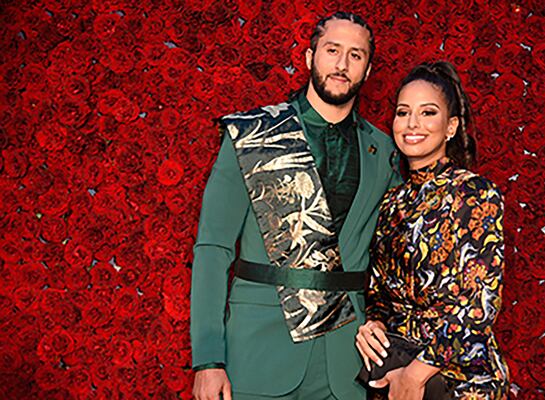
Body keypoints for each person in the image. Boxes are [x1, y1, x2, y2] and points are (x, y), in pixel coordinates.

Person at [191, 12, 401, 400]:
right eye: (332, 50)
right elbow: (213, 247)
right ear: (309, 58)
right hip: (258, 350)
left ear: (368, 71)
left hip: (346, 357)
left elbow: (394, 255)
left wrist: (387, 326)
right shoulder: (254, 134)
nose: (341, 64)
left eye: (355, 56)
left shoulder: (385, 151)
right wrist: (208, 360)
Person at [355, 61, 510, 400]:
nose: (412, 124)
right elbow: (379, 293)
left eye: (427, 113)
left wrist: (416, 375)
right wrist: (373, 326)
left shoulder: (474, 193)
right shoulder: (392, 202)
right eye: (402, 112)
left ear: (451, 126)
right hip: (394, 375)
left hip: (461, 381)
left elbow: (477, 305)